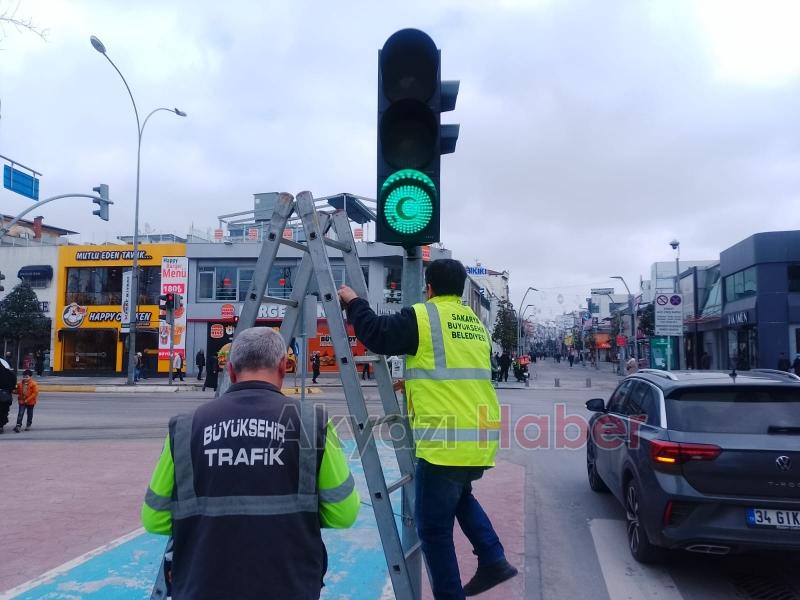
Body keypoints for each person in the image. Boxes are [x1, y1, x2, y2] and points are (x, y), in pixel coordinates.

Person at [338, 258, 517, 599]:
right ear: (461, 287)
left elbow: (377, 334)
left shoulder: (424, 316)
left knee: (433, 530)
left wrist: (353, 302)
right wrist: (413, 382)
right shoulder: (474, 323)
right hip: (478, 434)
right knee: (459, 495)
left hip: (445, 440)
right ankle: (493, 557)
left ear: (429, 287)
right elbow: (452, 373)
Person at [141, 327, 359, 598]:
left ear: (231, 371)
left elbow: (154, 518)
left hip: (202, 584)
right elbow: (343, 513)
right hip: (289, 584)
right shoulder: (314, 424)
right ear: (283, 368)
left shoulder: (185, 427)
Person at [0, 358, 16, 434]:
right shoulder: (10, 374)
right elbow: (13, 385)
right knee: (3, 411)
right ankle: (1, 426)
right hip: (5, 397)